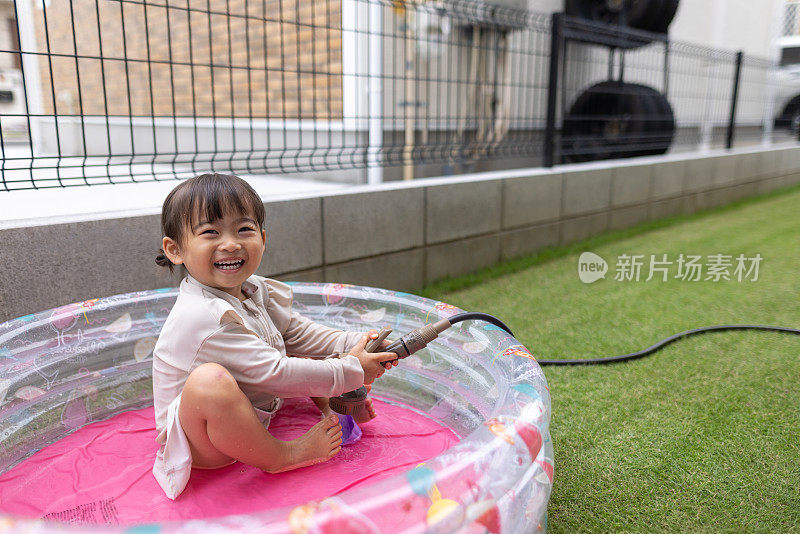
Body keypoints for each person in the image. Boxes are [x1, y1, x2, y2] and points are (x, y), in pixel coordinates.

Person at [151, 172, 398, 500]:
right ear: (175, 249)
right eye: (210, 232)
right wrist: (354, 369)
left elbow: (298, 332)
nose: (231, 243)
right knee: (209, 382)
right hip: (205, 445)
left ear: (263, 239)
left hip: (253, 412)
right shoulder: (202, 316)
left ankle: (334, 399)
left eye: (244, 229)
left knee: (294, 346)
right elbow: (275, 372)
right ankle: (283, 457)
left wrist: (358, 343)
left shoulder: (252, 289)